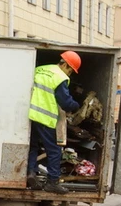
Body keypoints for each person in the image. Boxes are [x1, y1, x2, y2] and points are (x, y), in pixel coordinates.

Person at [27, 51, 82, 194]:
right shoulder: (60, 77)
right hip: (45, 117)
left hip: (31, 115)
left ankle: (30, 174)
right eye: (70, 70)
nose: (69, 74)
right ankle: (52, 182)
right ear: (65, 65)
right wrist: (76, 106)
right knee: (54, 151)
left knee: (32, 146)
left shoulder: (40, 69)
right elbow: (65, 102)